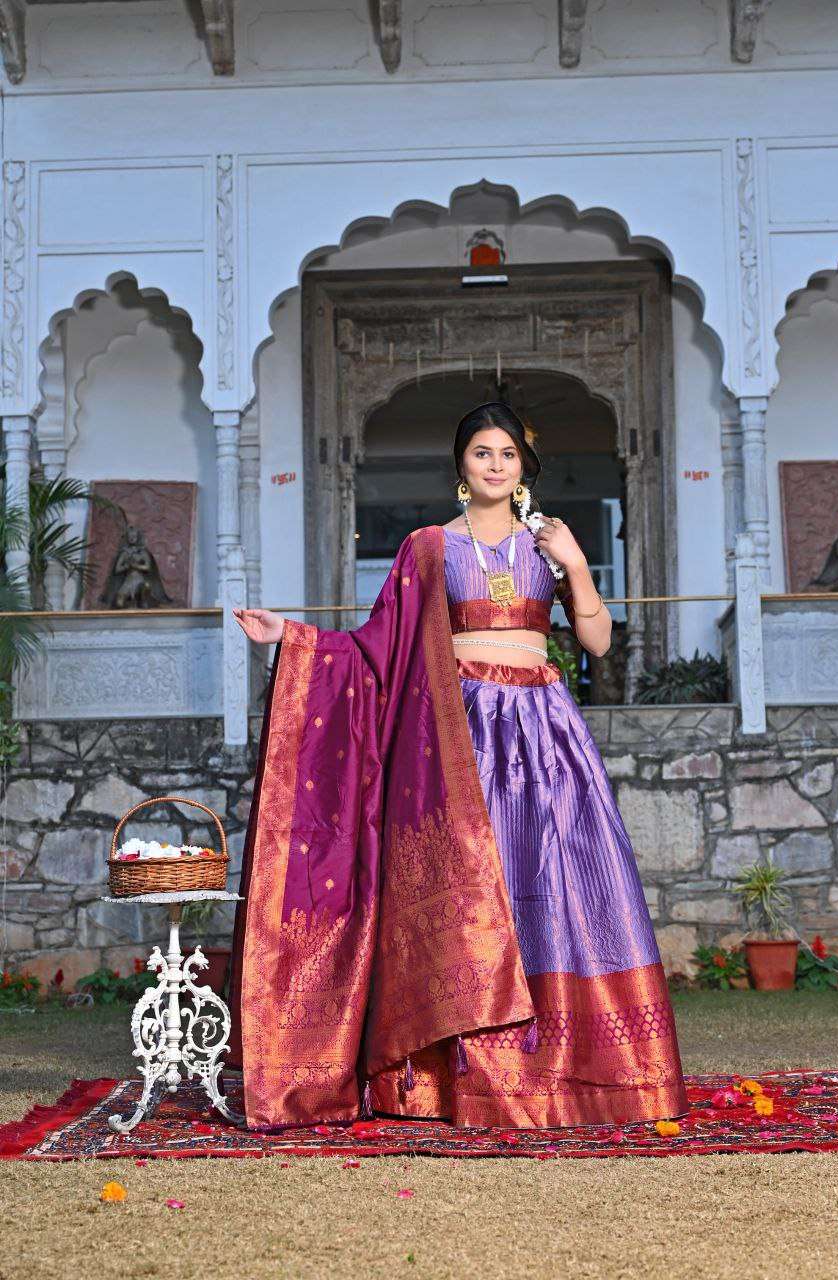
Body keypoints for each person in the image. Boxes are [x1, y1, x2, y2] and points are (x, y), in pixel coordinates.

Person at [228, 401, 689, 1130]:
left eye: (507, 454)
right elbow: (380, 645)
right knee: (477, 885)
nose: (495, 465)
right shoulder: (429, 548)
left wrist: (575, 564)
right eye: (482, 453)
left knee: (556, 880)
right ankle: (460, 1079)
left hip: (544, 732)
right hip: (458, 732)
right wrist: (292, 635)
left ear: (523, 467)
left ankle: (569, 1069)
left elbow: (598, 642)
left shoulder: (548, 543)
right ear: (462, 465)